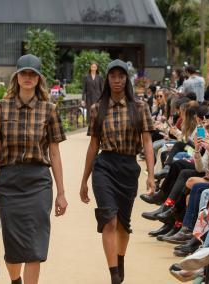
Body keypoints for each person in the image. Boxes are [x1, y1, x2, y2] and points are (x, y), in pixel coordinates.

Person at [0, 54, 68, 284]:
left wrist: (61, 193)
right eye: (24, 73)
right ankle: (15, 281)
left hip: (39, 182)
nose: (28, 77)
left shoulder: (49, 110)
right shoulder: (0, 108)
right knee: (12, 245)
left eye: (33, 74)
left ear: (39, 79)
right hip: (10, 182)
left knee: (34, 246)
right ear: (16, 77)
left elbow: (55, 154)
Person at [80, 59, 155, 284]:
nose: (117, 80)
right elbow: (93, 145)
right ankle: (114, 274)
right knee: (109, 219)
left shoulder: (140, 107)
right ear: (107, 79)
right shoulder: (97, 109)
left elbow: (148, 142)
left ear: (127, 79)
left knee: (123, 223)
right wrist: (84, 179)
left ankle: (119, 260)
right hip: (104, 166)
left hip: (128, 167)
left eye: (121, 76)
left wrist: (151, 175)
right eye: (113, 76)